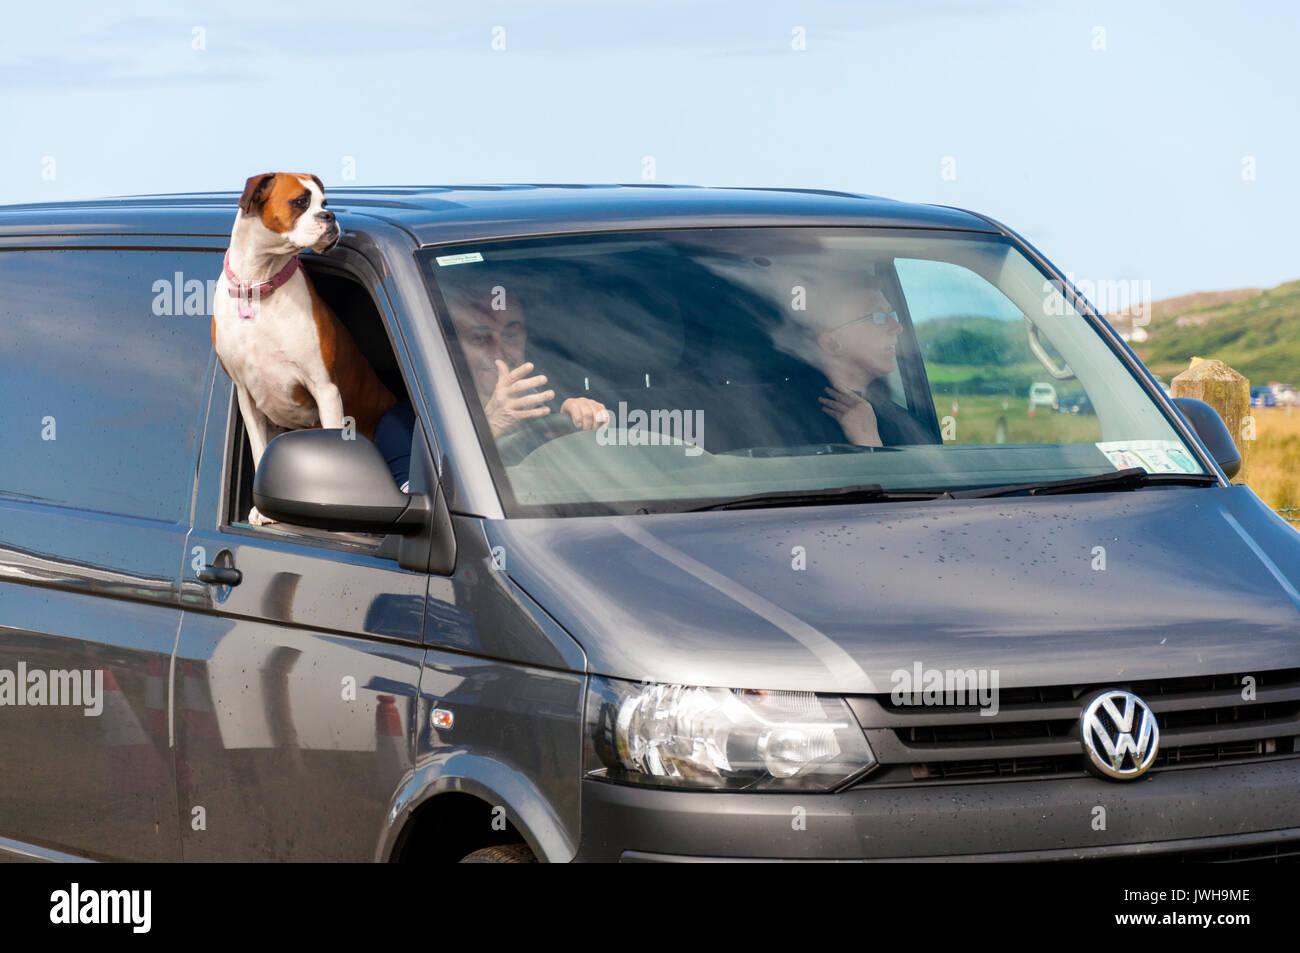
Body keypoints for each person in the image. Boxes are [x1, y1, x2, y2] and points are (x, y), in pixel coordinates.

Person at [373, 283, 608, 490]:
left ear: (524, 335)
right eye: (480, 338)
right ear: (449, 347)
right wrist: (491, 429)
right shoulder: (407, 425)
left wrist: (585, 426)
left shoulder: (552, 407)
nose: (499, 352)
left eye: (510, 334)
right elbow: (425, 513)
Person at [799, 281, 935, 447]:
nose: (897, 327)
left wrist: (869, 439)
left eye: (892, 314)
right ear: (831, 343)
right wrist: (868, 443)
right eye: (878, 317)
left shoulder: (909, 425)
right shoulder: (783, 418)